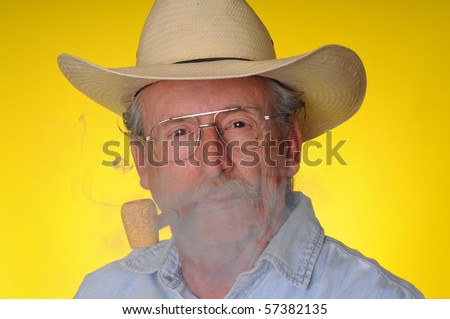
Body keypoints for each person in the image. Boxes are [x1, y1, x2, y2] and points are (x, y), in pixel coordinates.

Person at [58, 0, 423, 298]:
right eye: (180, 133)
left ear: (289, 146)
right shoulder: (102, 296)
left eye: (238, 124)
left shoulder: (375, 300)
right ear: (143, 165)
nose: (214, 161)